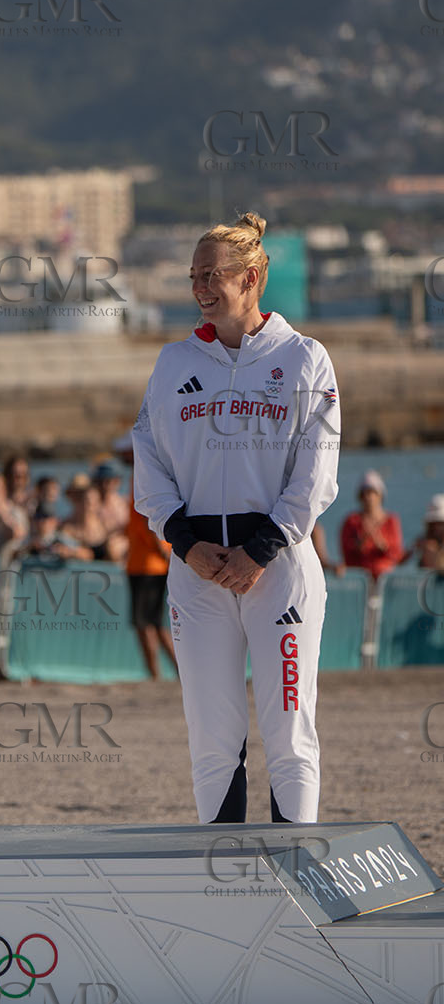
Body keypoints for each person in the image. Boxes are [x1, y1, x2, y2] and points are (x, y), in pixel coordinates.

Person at [132, 212, 339, 825]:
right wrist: (186, 543)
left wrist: (261, 549)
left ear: (250, 278)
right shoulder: (172, 365)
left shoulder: (305, 359)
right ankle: (223, 889)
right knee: (212, 739)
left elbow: (317, 471)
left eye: (210, 274)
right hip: (197, 571)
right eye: (193, 274)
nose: (198, 286)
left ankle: (294, 891)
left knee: (289, 733)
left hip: (277, 570)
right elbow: (148, 464)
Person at [124, 458, 178, 679]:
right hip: (153, 561)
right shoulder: (157, 473)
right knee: (155, 622)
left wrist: (164, 554)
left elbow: (148, 521)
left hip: (147, 563)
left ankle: (156, 674)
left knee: (145, 622)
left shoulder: (142, 476)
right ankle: (177, 672)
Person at [339, 470, 404, 582]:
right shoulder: (352, 521)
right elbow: (347, 553)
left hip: (385, 580)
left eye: (372, 493)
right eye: (365, 493)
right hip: (360, 581)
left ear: (380, 495)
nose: (369, 497)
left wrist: (381, 544)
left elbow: (397, 554)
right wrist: (360, 543)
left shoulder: (391, 521)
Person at [404, 494, 444, 572]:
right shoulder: (422, 542)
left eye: (440, 523)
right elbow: (401, 562)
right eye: (433, 524)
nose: (436, 528)